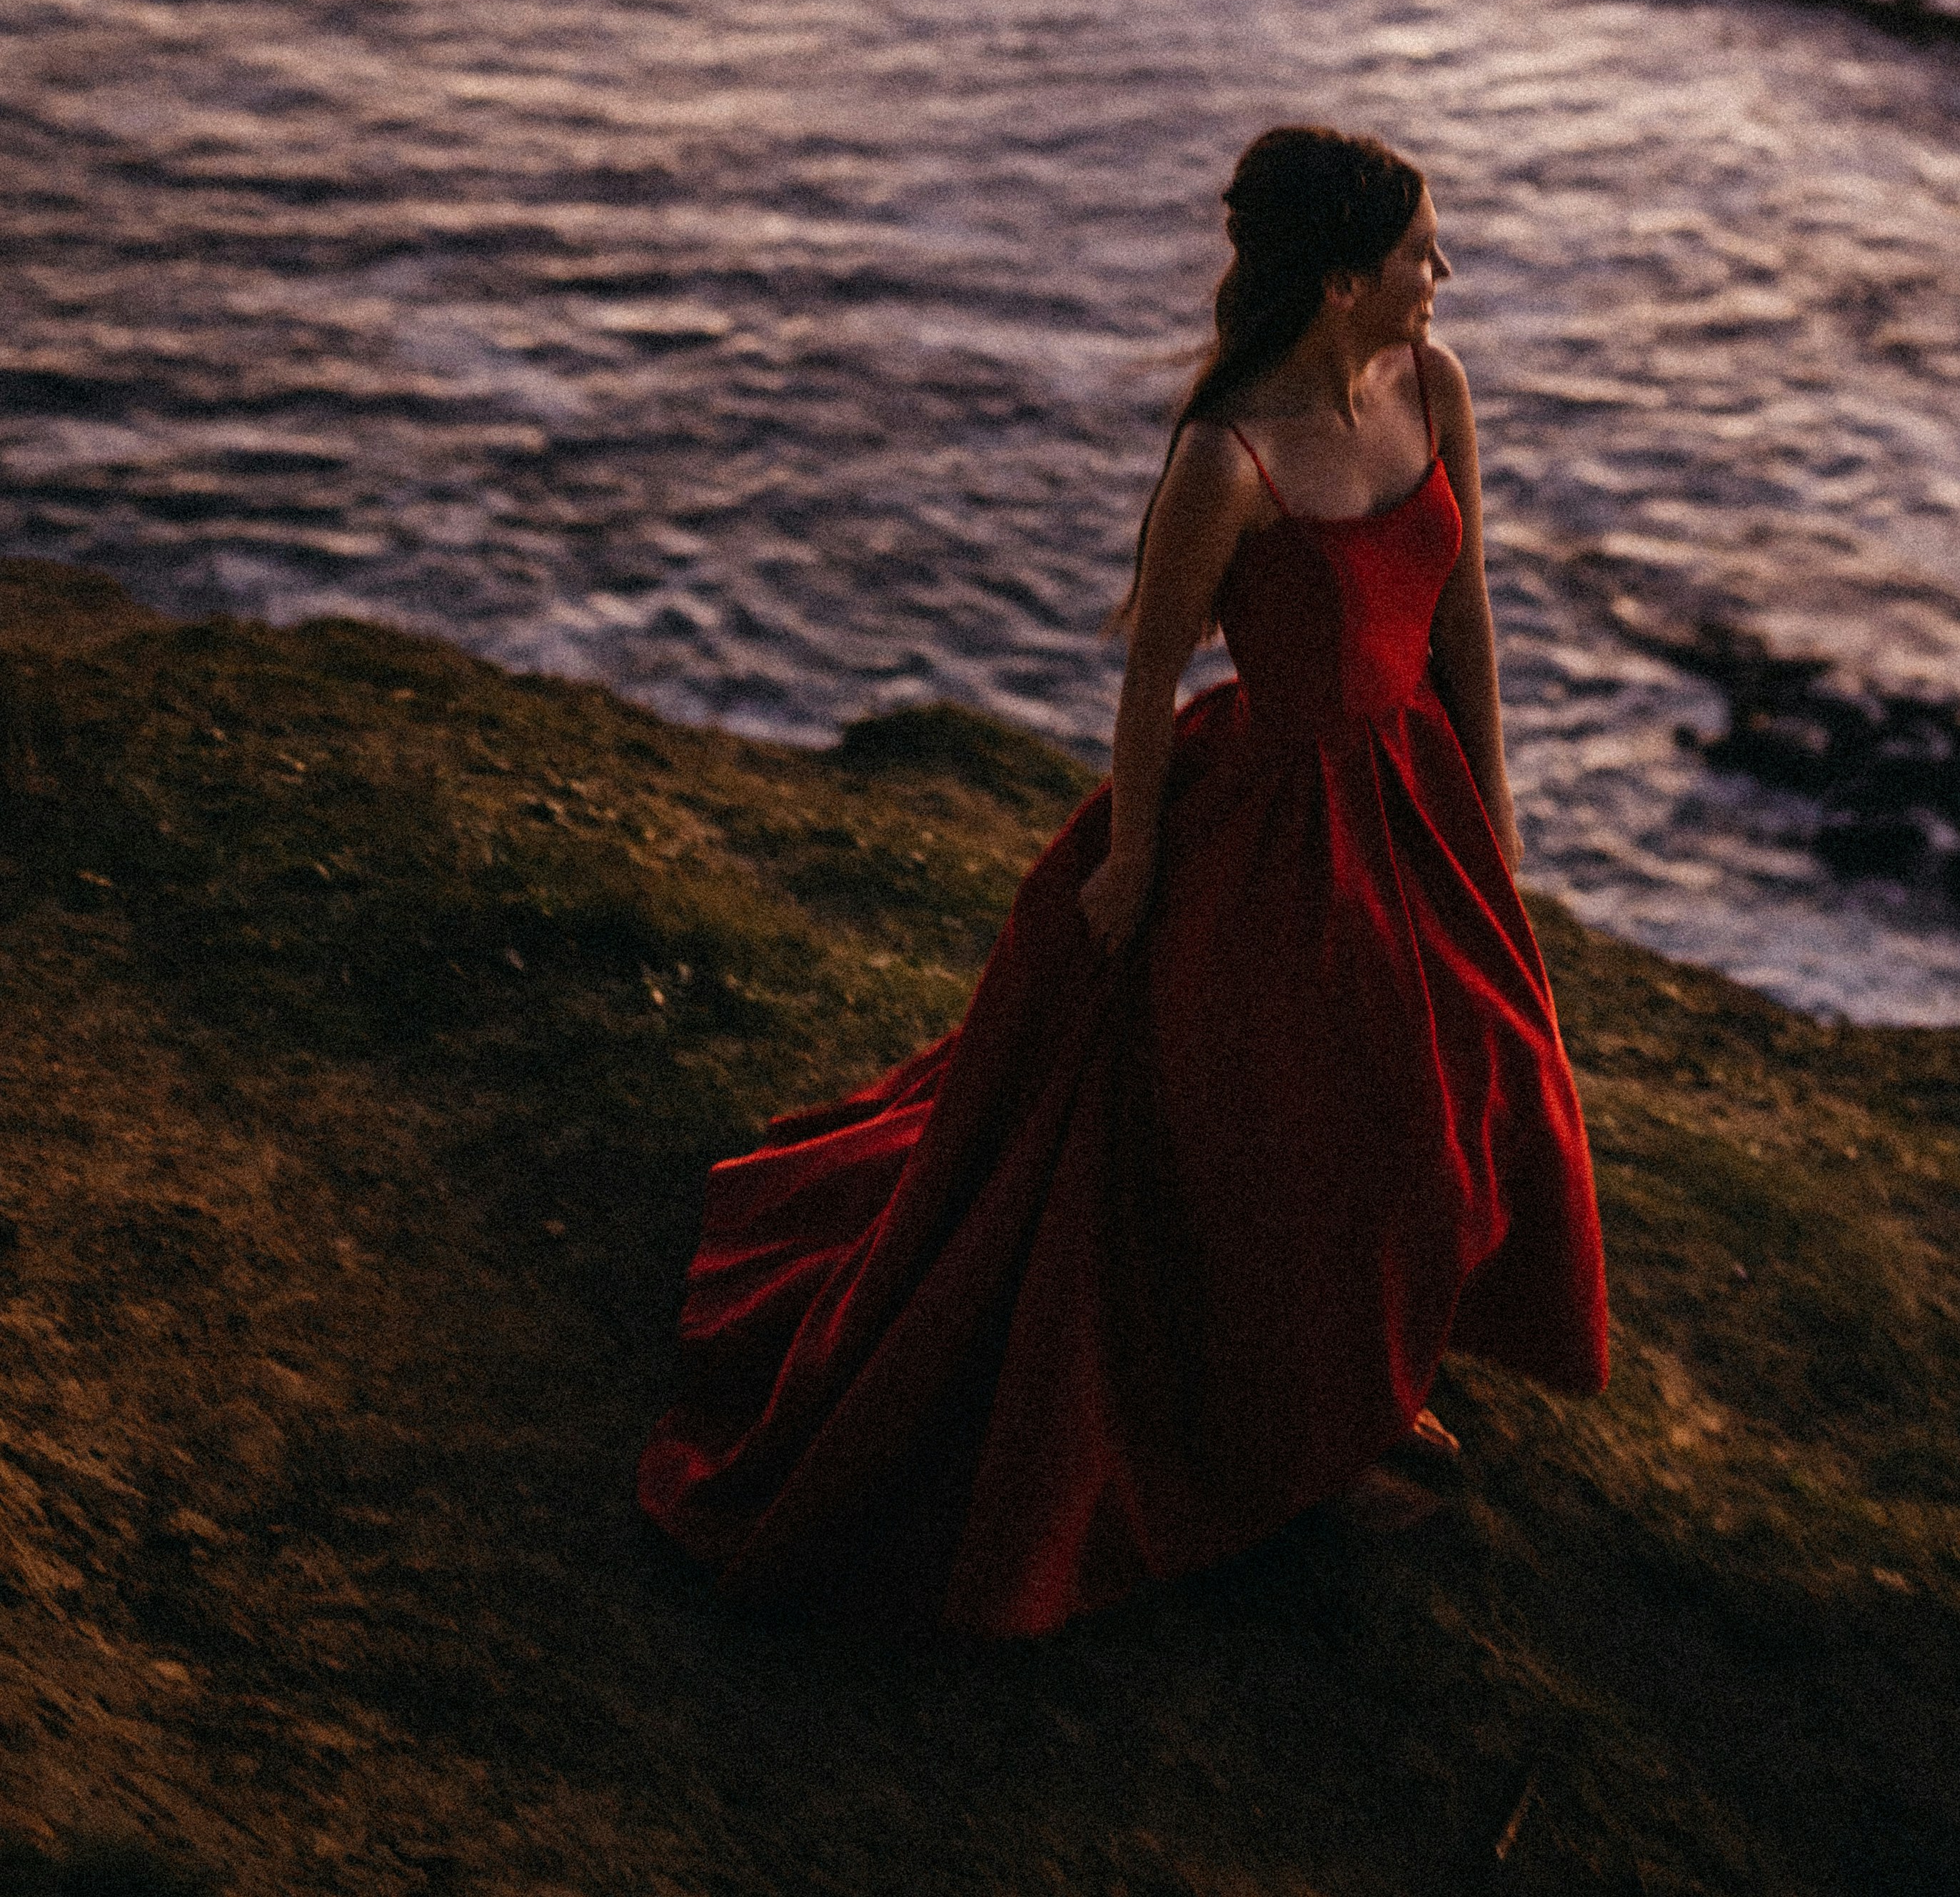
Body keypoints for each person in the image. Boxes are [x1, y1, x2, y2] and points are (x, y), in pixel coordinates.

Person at [638, 124, 1609, 1636]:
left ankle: (1369, 1377)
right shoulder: (1225, 459)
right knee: (1308, 1132)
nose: (1444, 275)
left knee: (1475, 1090)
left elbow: (1462, 601)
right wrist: (1135, 863)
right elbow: (1152, 673)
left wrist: (1493, 799)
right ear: (1346, 281)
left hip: (1410, 800)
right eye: (1423, 252)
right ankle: (1320, 1423)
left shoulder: (1435, 386)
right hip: (1274, 824)